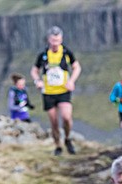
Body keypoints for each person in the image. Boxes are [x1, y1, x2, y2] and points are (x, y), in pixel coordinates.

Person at [30, 26, 81, 156]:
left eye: (57, 40)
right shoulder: (43, 55)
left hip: (63, 91)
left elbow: (76, 67)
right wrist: (37, 81)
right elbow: (34, 70)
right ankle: (58, 145)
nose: (55, 44)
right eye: (53, 41)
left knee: (66, 117)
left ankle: (68, 138)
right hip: (48, 92)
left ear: (61, 39)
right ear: (48, 40)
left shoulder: (66, 53)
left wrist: (72, 81)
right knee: (53, 121)